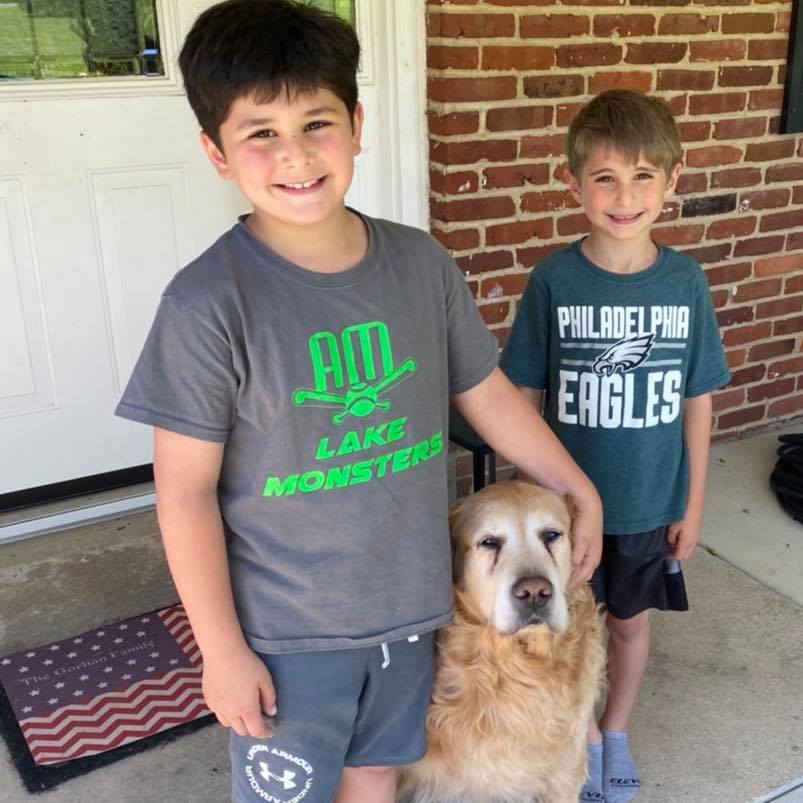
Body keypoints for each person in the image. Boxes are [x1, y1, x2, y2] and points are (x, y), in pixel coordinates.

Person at [115, 2, 603, 801]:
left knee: (376, 771)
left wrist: (574, 485)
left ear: (357, 124)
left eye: (317, 123)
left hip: (411, 610)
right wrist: (221, 649)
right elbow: (184, 493)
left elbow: (484, 392)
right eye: (260, 132)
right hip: (289, 631)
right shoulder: (206, 305)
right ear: (215, 152)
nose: (296, 154)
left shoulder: (419, 265)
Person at [500, 89, 730, 802]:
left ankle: (615, 728)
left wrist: (692, 502)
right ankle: (583, 738)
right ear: (573, 184)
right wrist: (529, 504)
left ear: (672, 180)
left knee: (627, 626)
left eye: (642, 177)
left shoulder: (685, 283)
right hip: (564, 512)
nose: (624, 197)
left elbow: (698, 400)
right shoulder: (553, 280)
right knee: (559, 630)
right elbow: (522, 396)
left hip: (646, 505)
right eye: (604, 177)